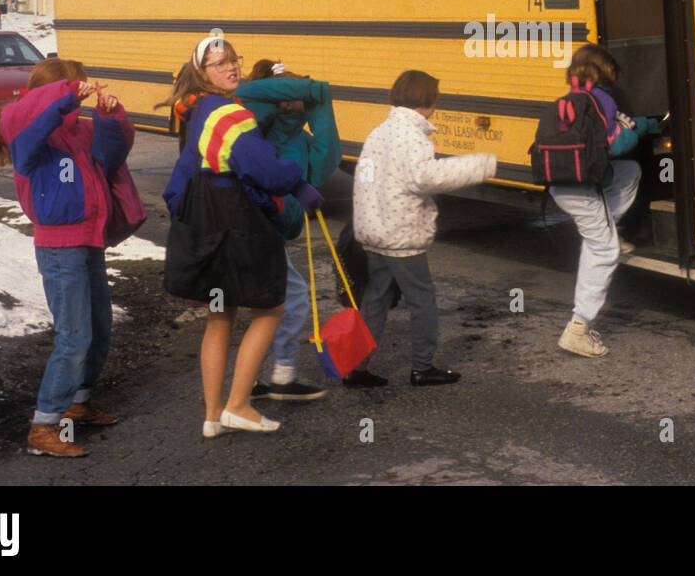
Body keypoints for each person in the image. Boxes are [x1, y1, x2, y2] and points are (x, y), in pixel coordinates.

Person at [160, 36, 322, 437]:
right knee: (271, 308)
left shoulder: (198, 110)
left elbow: (178, 180)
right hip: (236, 227)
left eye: (233, 60)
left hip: (205, 226)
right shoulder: (229, 114)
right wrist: (298, 183)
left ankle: (213, 415)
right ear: (202, 73)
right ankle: (238, 405)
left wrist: (186, 215)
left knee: (220, 317)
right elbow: (265, 168)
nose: (231, 67)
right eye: (219, 63)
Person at [0, 57, 140, 457]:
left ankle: (77, 403)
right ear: (51, 92)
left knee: (99, 327)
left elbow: (112, 155)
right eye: (78, 86)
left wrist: (111, 117)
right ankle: (44, 426)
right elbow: (29, 114)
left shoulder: (79, 131)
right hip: (58, 246)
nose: (84, 92)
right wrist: (66, 94)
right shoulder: (26, 132)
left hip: (90, 238)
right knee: (74, 336)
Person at [347, 70, 497, 388]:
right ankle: (422, 367)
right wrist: (479, 165)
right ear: (427, 101)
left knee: (375, 299)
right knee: (422, 300)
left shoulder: (379, 132)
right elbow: (426, 178)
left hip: (375, 232)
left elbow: (366, 180)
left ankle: (356, 367)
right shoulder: (413, 138)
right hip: (401, 235)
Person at [233, 59, 341, 402]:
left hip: (272, 232)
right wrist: (312, 89)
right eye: (292, 94)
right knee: (289, 299)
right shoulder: (257, 126)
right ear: (278, 96)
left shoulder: (300, 139)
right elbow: (247, 90)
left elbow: (328, 159)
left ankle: (257, 380)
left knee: (269, 304)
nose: (300, 102)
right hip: (254, 229)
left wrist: (321, 103)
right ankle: (276, 376)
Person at [547, 44, 658, 359]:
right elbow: (616, 145)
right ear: (605, 71)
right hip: (580, 187)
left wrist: (630, 124)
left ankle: (608, 227)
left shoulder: (571, 98)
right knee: (603, 249)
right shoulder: (602, 100)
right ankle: (578, 329)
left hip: (562, 182)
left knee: (628, 172)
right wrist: (639, 130)